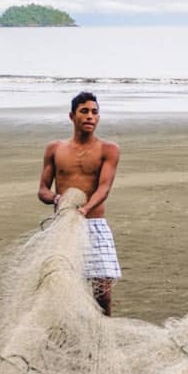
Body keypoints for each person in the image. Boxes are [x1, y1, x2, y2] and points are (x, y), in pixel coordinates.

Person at [38, 90, 122, 314]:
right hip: (63, 226)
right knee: (61, 286)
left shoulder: (109, 149)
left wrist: (84, 210)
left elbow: (104, 188)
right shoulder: (55, 149)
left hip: (94, 224)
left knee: (103, 292)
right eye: (84, 111)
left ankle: (102, 335)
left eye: (95, 112)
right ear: (72, 116)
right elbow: (43, 190)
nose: (90, 116)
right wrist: (58, 199)